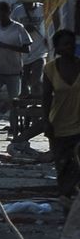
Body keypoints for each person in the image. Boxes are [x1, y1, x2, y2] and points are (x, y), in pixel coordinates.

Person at [0, 1, 33, 136]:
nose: (1, 15)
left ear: (8, 13)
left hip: (14, 71)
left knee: (14, 102)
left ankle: (14, 130)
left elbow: (27, 48)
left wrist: (6, 46)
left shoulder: (18, 28)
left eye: (3, 12)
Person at [44, 29, 80, 199]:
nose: (70, 47)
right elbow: (46, 99)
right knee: (63, 167)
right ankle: (66, 205)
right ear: (57, 49)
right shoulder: (50, 70)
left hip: (78, 125)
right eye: (65, 44)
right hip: (58, 127)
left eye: (72, 43)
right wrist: (46, 122)